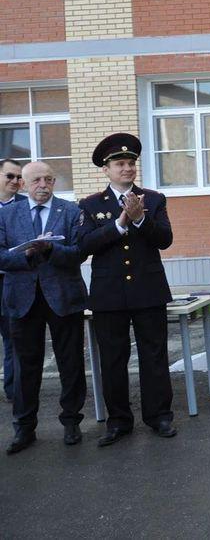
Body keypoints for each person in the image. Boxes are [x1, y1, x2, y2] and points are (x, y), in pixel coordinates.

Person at [78, 133, 177, 446]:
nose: (127, 168)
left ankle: (159, 416)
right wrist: (120, 223)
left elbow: (164, 239)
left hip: (148, 290)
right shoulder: (91, 204)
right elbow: (85, 245)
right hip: (109, 294)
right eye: (120, 164)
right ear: (106, 170)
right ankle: (119, 421)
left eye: (131, 163)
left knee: (155, 356)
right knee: (113, 360)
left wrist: (139, 220)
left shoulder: (154, 199)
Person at [0, 161, 88, 454]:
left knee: (70, 361)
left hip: (64, 297)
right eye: (36, 180)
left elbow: (79, 253)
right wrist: (27, 256)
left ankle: (72, 422)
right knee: (26, 366)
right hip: (22, 298)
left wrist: (51, 249)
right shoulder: (7, 214)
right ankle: (24, 428)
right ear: (23, 185)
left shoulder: (71, 211)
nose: (43, 185)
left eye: (48, 179)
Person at [0, 158, 26, 402]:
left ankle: (14, 391)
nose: (16, 181)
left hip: (12, 282)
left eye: (19, 177)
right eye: (10, 176)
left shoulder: (25, 206)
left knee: (12, 339)